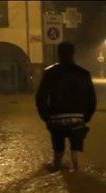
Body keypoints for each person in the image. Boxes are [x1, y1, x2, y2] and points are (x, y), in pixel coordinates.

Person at [35, 41, 97, 173]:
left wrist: (46, 118)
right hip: (78, 119)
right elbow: (92, 99)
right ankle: (76, 166)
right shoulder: (83, 73)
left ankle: (56, 163)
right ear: (73, 54)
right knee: (76, 145)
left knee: (58, 147)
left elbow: (40, 97)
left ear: (58, 54)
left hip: (56, 119)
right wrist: (85, 118)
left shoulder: (49, 72)